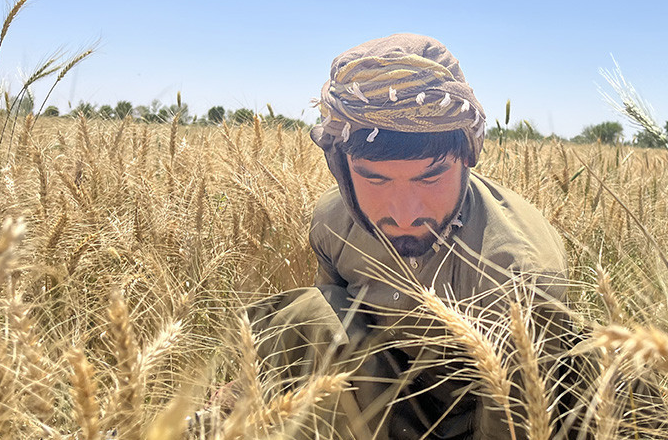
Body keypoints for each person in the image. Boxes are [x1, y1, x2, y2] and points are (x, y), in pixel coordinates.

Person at [246, 34, 573, 439]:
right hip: (388, 393)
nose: (404, 214)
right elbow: (334, 332)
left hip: (488, 411)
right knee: (309, 313)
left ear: (468, 157)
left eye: (430, 176)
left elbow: (514, 419)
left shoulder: (519, 269)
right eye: (374, 178)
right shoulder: (333, 221)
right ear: (342, 168)